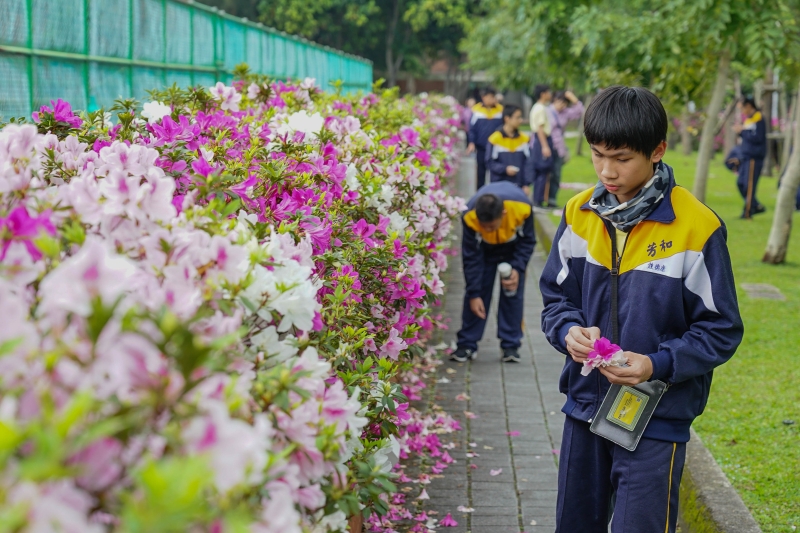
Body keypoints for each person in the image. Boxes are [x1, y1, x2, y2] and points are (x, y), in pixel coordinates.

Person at [539, 86, 743, 533]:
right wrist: (568, 331)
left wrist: (656, 363)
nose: (607, 171)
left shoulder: (697, 226)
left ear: (658, 151)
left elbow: (721, 329)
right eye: (597, 155)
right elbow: (557, 299)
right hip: (585, 407)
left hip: (657, 417)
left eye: (622, 158)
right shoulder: (579, 213)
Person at [452, 181, 536, 364]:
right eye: (484, 227)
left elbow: (528, 241)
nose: (487, 230)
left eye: (491, 226)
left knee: (512, 290)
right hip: (484, 251)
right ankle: (466, 343)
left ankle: (511, 345)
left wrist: (518, 268)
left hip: (512, 249)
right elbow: (471, 257)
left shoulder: (522, 208)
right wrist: (474, 293)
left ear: (503, 214)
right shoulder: (469, 215)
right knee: (476, 293)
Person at [547, 90, 585, 208]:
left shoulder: (565, 112)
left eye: (564, 103)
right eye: (559, 102)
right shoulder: (546, 111)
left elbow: (580, 111)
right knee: (543, 175)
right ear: (554, 101)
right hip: (546, 147)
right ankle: (539, 199)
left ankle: (551, 200)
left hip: (558, 148)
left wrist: (572, 97)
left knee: (556, 174)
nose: (561, 105)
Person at [732, 97, 767, 218]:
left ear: (748, 106)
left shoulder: (759, 118)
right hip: (746, 156)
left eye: (743, 108)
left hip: (754, 157)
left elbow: (758, 138)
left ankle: (747, 213)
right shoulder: (749, 120)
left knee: (749, 185)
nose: (742, 111)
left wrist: (742, 131)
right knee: (741, 183)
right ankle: (756, 205)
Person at [485, 104, 531, 192]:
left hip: (519, 186)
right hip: (499, 185)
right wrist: (505, 169)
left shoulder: (524, 139)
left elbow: (529, 163)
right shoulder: (495, 139)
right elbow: (489, 162)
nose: (520, 120)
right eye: (517, 117)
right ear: (507, 119)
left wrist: (526, 184)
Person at [467, 88, 504, 190]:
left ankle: (495, 191)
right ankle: (480, 192)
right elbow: (472, 129)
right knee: (481, 171)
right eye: (490, 97)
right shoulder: (476, 110)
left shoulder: (500, 110)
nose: (492, 100)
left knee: (495, 170)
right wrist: (471, 142)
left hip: (496, 146)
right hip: (482, 146)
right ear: (484, 97)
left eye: (493, 97)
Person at [529, 84, 555, 207]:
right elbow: (539, 128)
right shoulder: (539, 108)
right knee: (542, 171)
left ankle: (538, 200)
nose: (550, 94)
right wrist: (545, 146)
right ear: (543, 94)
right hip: (542, 140)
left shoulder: (540, 107)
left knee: (542, 171)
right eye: (548, 92)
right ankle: (537, 201)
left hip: (541, 140)